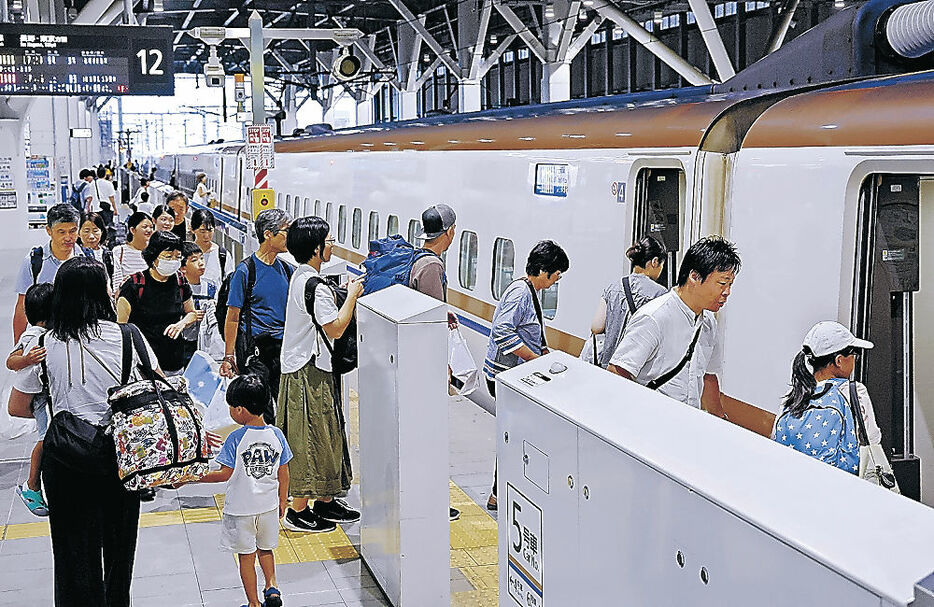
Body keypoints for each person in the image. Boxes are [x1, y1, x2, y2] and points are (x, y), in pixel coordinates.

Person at [7, 256, 158, 607]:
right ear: (104, 292)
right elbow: (154, 386)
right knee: (119, 552)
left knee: (73, 552)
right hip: (121, 457)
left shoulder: (44, 345)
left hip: (65, 461)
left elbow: (16, 407)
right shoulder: (128, 336)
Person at [279, 216, 362, 532]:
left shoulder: (303, 278)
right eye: (328, 241)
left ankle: (325, 501)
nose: (332, 245)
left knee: (327, 435)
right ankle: (297, 511)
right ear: (315, 248)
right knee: (308, 438)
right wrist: (353, 293)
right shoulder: (314, 285)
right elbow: (337, 328)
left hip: (313, 368)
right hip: (307, 373)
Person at [179, 374, 290, 607]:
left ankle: (253, 604)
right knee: (266, 549)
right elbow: (284, 471)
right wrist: (282, 501)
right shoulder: (277, 434)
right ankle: (272, 587)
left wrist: (191, 477)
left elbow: (224, 474)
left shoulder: (235, 438)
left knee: (246, 558)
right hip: (268, 507)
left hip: (241, 510)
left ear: (240, 410)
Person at [608, 235, 738, 419]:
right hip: (650, 423)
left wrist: (720, 419)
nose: (727, 292)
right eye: (722, 283)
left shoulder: (709, 323)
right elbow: (617, 373)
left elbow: (708, 376)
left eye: (730, 284)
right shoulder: (654, 317)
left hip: (686, 424)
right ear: (694, 276)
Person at [483, 240, 569, 510]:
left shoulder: (529, 290)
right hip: (505, 376)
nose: (556, 281)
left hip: (512, 374)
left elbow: (528, 330)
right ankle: (499, 493)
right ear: (543, 271)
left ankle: (504, 490)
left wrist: (544, 351)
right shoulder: (520, 293)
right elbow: (502, 331)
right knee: (514, 434)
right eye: (556, 276)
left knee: (518, 433)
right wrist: (534, 360)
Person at [773, 322, 882, 473]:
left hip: (795, 483)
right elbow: (872, 439)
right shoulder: (853, 392)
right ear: (838, 361)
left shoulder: (793, 396)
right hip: (839, 487)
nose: (854, 359)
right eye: (854, 354)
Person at [409, 204, 461, 521]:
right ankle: (428, 500)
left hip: (415, 361)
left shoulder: (419, 260)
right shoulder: (432, 267)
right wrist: (443, 365)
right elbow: (429, 322)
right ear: (450, 232)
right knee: (428, 437)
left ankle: (424, 496)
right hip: (424, 366)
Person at [220, 209, 294, 424]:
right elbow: (232, 317)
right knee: (260, 410)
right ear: (268, 234)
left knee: (284, 405)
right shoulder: (245, 272)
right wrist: (228, 356)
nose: (290, 236)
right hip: (255, 353)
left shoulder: (287, 270)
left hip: (282, 351)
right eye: (286, 231)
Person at [116, 231, 199, 375]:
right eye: (168, 256)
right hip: (142, 364)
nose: (173, 261)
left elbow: (191, 313)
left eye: (177, 257)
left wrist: (181, 324)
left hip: (174, 362)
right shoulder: (135, 284)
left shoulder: (180, 280)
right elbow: (120, 328)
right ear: (153, 257)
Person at [7, 283, 53, 517]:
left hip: (46, 397)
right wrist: (27, 360)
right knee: (45, 439)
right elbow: (11, 361)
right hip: (42, 398)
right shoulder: (35, 337)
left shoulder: (41, 334)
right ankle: (32, 485)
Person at [586, 236, 668, 369]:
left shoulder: (612, 287)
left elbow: (596, 327)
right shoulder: (661, 294)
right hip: (635, 369)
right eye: (661, 265)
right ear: (655, 261)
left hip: (608, 366)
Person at [13, 204, 87, 343]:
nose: (68, 237)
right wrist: (18, 346)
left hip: (80, 336)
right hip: (45, 337)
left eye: (73, 231)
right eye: (61, 232)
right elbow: (22, 307)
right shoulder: (34, 262)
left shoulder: (87, 260)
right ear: (49, 230)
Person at [181, 242, 223, 361]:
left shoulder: (211, 288)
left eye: (201, 258)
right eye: (194, 260)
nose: (201, 263)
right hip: (183, 345)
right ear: (183, 267)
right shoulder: (179, 289)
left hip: (207, 344)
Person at [191, 209, 231, 285]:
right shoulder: (185, 253)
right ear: (192, 230)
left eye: (210, 230)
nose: (206, 236)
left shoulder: (223, 255)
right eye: (202, 231)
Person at [79, 211, 114, 282]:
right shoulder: (73, 254)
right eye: (86, 231)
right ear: (78, 233)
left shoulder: (109, 256)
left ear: (102, 232)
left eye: (95, 231)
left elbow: (116, 282)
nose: (91, 236)